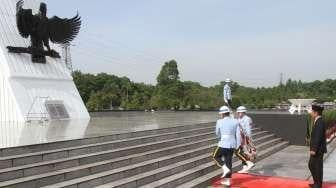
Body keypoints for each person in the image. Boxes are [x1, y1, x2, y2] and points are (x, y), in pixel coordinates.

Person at [212, 106, 241, 186]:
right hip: (232, 145)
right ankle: (227, 181)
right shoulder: (235, 121)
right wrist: (237, 145)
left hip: (223, 144)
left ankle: (224, 168)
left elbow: (217, 134)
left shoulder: (219, 121)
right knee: (228, 161)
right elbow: (238, 135)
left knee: (215, 156)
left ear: (222, 114)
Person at [308, 104, 327, 188]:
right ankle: (317, 183)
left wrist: (313, 149)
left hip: (318, 150)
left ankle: (318, 185)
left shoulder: (320, 122)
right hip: (317, 149)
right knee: (312, 165)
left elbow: (318, 137)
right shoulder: (318, 120)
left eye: (312, 111)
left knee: (316, 166)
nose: (311, 113)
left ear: (316, 113)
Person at [235, 106, 255, 173]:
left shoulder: (247, 119)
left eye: (240, 112)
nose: (238, 113)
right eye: (238, 112)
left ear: (243, 112)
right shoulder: (239, 119)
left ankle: (248, 164)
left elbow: (248, 131)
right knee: (242, 152)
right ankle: (245, 167)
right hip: (240, 138)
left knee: (241, 152)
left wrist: (248, 140)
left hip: (245, 138)